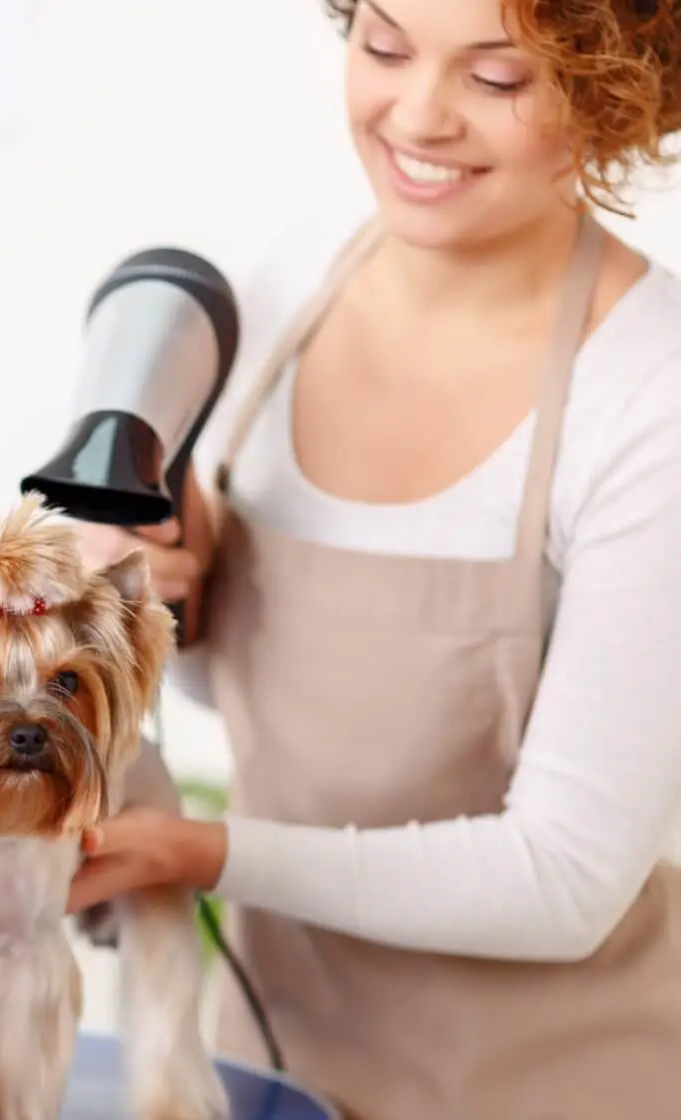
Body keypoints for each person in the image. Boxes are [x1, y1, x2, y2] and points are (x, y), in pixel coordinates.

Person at [65, 0, 681, 1117]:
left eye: (497, 79)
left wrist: (198, 854)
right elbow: (273, 710)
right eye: (384, 47)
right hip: (270, 1062)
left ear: (614, 84)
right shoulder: (290, 283)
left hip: (552, 1084)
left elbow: (563, 881)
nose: (418, 115)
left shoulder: (651, 391)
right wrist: (171, 595)